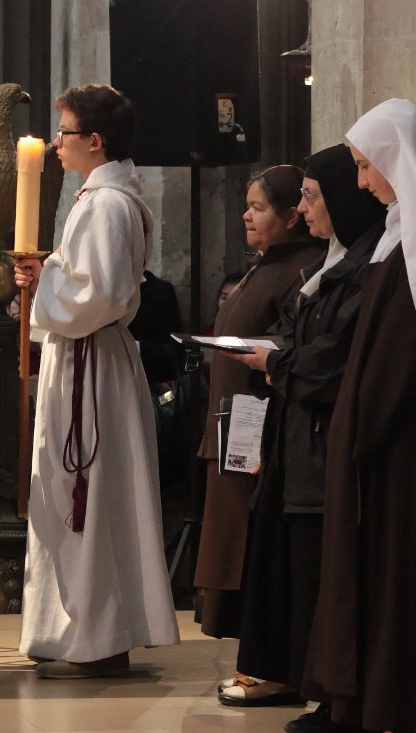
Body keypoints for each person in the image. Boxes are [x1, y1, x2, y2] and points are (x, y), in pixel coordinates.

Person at [12, 84, 179, 679]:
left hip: (91, 361)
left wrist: (46, 285)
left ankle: (100, 635)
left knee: (91, 496)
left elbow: (102, 295)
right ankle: (75, 630)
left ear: (95, 140)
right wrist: (48, 274)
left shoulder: (107, 205)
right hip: (83, 356)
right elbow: (86, 280)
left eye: (65, 131)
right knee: (77, 495)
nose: (57, 142)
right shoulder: (99, 197)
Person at [219, 145, 385, 716]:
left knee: (320, 571)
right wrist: (276, 353)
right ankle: (298, 679)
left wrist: (277, 363)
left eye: (313, 197)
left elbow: (339, 358)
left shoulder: (364, 270)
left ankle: (330, 696)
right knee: (290, 567)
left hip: (324, 441)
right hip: (293, 438)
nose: (307, 208)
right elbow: (292, 330)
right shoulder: (323, 268)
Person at [306, 98, 416, 733]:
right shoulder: (393, 236)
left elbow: (401, 353)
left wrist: (364, 427)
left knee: (393, 572)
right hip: (369, 438)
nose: (363, 182)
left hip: (395, 445)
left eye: (365, 165)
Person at [194, 165, 325, 648]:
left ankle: (265, 654)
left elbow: (292, 340)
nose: (246, 216)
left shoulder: (303, 267)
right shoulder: (265, 263)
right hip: (234, 421)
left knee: (252, 541)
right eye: (247, 205)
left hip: (260, 423)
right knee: (230, 537)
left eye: (259, 207)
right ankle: (254, 652)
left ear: (293, 215)